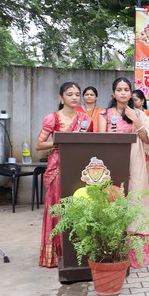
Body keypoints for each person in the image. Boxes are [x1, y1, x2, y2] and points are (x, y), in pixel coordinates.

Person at [102, 77, 149, 267]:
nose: (123, 93)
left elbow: (148, 139)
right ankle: (114, 251)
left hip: (135, 164)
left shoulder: (138, 114)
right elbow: (101, 140)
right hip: (113, 164)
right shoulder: (104, 115)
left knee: (136, 200)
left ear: (130, 93)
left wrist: (137, 121)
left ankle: (136, 253)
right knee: (114, 200)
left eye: (126, 89)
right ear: (113, 93)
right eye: (119, 89)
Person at [37, 82, 89, 268]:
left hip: (78, 165)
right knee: (58, 206)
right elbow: (39, 144)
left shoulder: (84, 118)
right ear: (61, 97)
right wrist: (58, 142)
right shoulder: (53, 118)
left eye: (77, 94)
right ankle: (55, 254)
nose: (74, 97)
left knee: (78, 205)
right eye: (70, 94)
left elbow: (89, 140)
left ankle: (76, 252)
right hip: (58, 166)